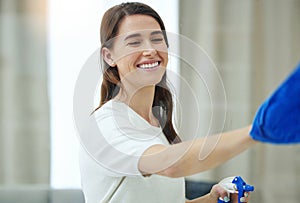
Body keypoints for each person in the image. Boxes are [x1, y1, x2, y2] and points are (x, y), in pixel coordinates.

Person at [78, 2, 256, 202]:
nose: (150, 50)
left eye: (157, 39)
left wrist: (212, 199)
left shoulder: (155, 122)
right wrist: (256, 132)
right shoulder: (105, 125)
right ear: (109, 56)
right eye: (134, 42)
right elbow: (171, 165)